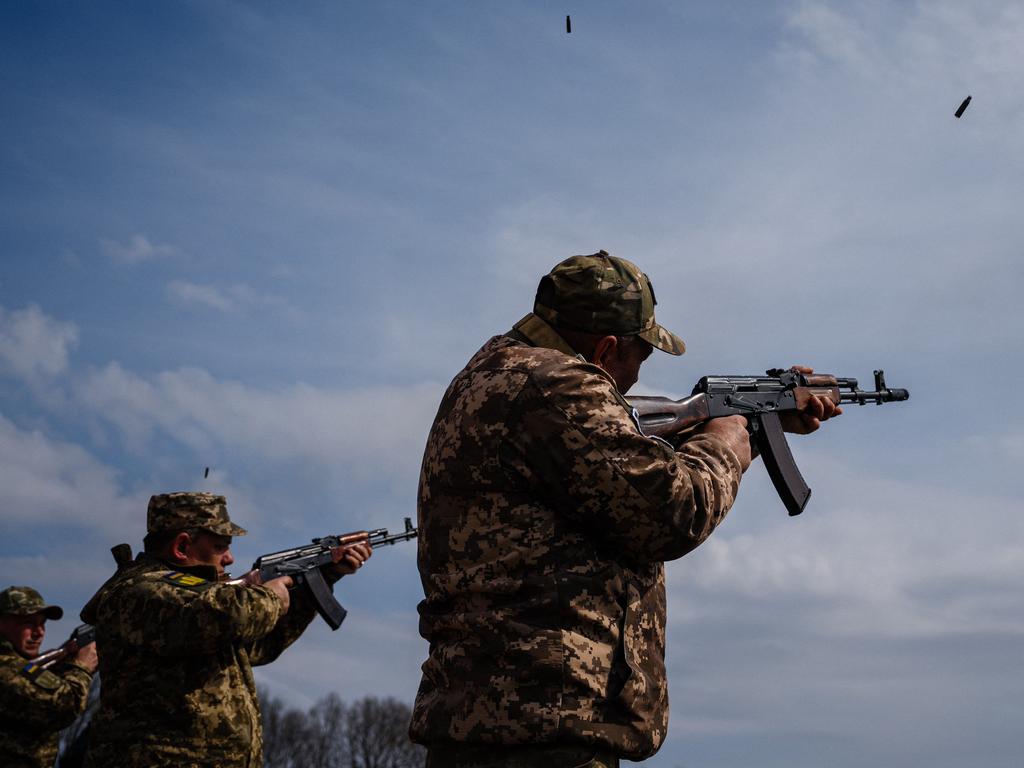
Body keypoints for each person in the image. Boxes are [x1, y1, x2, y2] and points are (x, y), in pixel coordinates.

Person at [410, 250, 839, 767]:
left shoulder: (493, 374)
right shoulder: (558, 385)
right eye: (641, 356)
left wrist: (757, 419)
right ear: (607, 347)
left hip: (497, 716)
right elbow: (672, 511)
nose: (635, 378)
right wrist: (725, 443)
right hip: (544, 723)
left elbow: (609, 473)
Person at [80, 491, 372, 768]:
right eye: (220, 546)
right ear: (181, 547)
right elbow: (226, 614)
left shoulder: (192, 599)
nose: (229, 558)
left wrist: (319, 579)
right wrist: (268, 594)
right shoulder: (139, 591)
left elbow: (261, 644)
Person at [0, 585, 98, 768]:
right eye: (28, 623)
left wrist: (65, 662)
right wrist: (82, 666)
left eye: (42, 623)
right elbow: (63, 706)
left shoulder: (22, 667)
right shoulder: (6, 668)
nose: (39, 632)